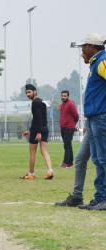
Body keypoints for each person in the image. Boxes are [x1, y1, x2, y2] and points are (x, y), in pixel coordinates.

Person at [73, 33, 106, 210]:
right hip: (94, 118)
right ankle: (100, 198)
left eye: (83, 47)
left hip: (101, 116)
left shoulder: (102, 61)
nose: (82, 52)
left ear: (92, 46)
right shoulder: (97, 62)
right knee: (98, 159)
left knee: (103, 159)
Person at [20, 84, 54, 180]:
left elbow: (38, 118)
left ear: (35, 91)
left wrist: (38, 132)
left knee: (32, 152)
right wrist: (30, 130)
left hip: (37, 131)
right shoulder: (42, 101)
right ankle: (50, 170)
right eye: (26, 92)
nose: (27, 94)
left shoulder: (35, 103)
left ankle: (31, 173)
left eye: (29, 92)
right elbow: (40, 118)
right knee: (44, 151)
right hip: (44, 128)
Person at [55, 126, 90, 207]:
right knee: (80, 160)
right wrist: (86, 123)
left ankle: (101, 197)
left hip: (100, 122)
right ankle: (77, 197)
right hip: (91, 125)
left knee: (100, 160)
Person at [59, 90, 79, 168]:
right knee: (67, 145)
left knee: (67, 145)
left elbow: (76, 116)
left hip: (69, 127)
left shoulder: (71, 104)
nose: (63, 97)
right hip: (62, 127)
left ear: (68, 96)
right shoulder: (61, 105)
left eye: (65, 96)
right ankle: (70, 162)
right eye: (62, 96)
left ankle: (65, 163)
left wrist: (73, 124)